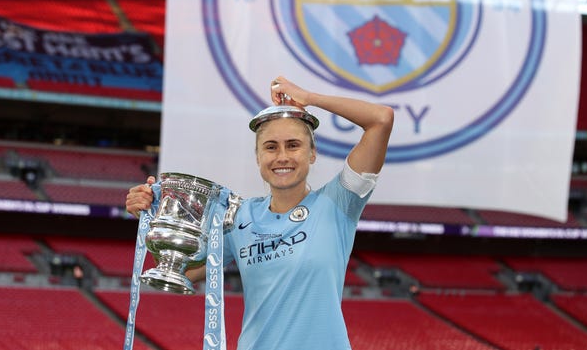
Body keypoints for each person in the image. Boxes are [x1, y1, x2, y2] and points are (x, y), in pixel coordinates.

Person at [126, 76, 394, 350]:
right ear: (257, 158)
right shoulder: (239, 216)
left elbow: (381, 120)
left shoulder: (338, 203)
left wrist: (310, 98)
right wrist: (156, 219)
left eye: (293, 145)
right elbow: (185, 274)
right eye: (270, 147)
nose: (282, 157)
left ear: (312, 153)